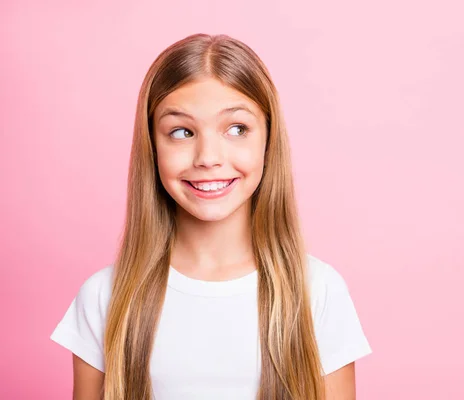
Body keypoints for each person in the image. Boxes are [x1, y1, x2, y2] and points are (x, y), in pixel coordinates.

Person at [50, 33, 372, 400]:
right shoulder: (103, 298)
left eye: (237, 129)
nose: (208, 157)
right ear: (152, 147)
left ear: (268, 140)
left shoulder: (318, 291)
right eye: (182, 131)